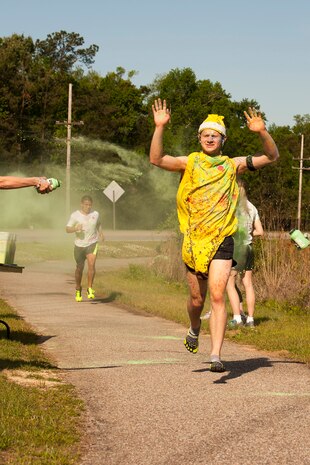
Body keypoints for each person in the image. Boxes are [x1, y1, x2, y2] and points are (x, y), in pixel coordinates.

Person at [149, 98, 279, 372]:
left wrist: (262, 132)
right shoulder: (190, 162)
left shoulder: (233, 165)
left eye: (215, 135)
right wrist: (159, 127)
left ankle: (216, 355)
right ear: (200, 138)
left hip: (222, 239)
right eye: (206, 135)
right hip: (195, 240)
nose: (210, 138)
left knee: (218, 295)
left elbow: (271, 157)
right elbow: (156, 159)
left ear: (224, 140)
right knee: (198, 299)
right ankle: (194, 326)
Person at [226, 181, 264, 329]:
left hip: (236, 248)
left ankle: (237, 317)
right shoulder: (252, 207)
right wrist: (249, 233)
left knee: (230, 282)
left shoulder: (233, 207)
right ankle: (251, 319)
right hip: (248, 248)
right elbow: (260, 232)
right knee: (248, 283)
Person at [66, 195, 103, 302]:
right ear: (81, 204)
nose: (88, 207)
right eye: (86, 205)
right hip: (79, 245)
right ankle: (78, 288)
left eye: (90, 205)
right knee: (79, 268)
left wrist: (101, 233)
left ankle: (90, 288)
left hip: (92, 243)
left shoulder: (95, 214)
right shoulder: (75, 215)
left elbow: (98, 223)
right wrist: (75, 228)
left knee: (91, 264)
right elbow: (67, 229)